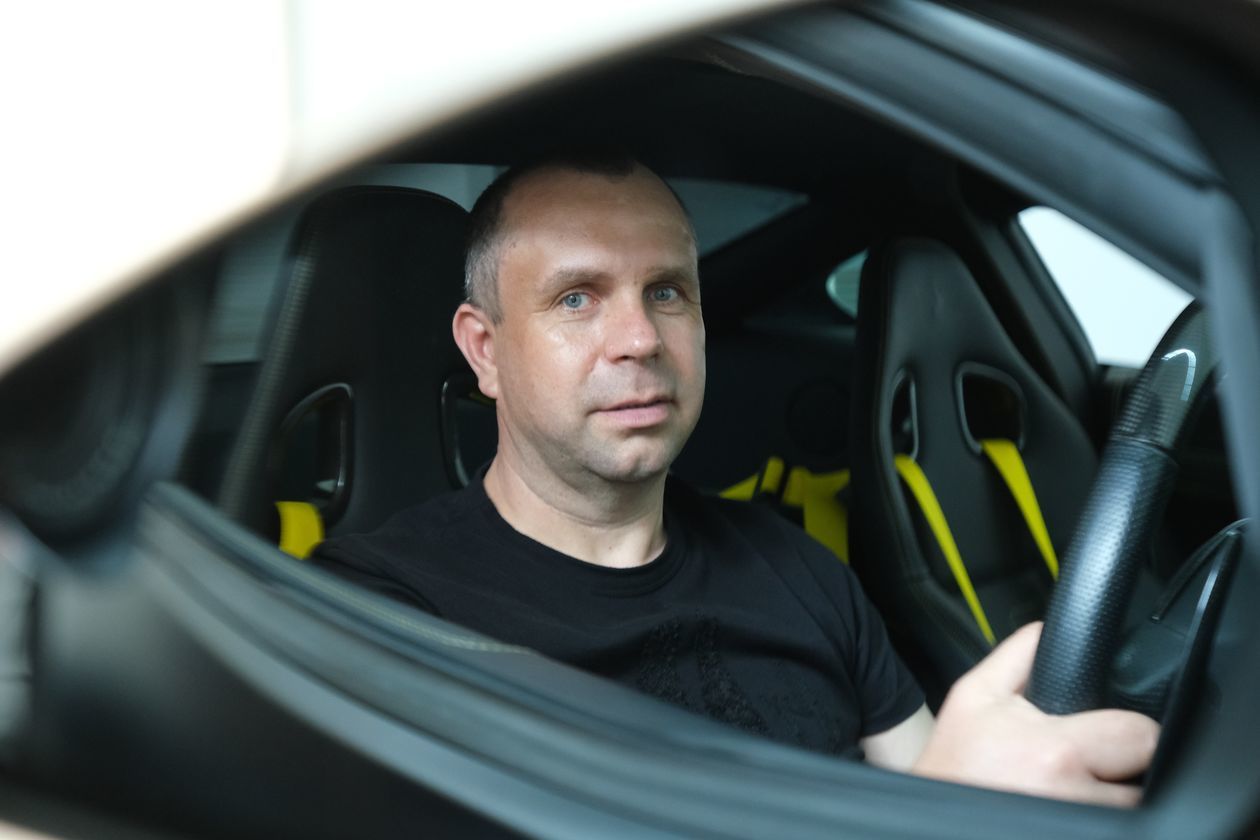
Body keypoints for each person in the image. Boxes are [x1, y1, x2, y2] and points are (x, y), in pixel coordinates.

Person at [311, 152, 1158, 806]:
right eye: (577, 299)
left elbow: (922, 773)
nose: (640, 338)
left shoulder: (797, 569)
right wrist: (952, 814)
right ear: (485, 351)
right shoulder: (380, 612)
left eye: (667, 292)